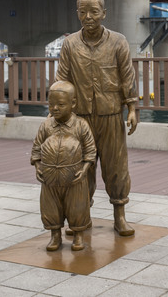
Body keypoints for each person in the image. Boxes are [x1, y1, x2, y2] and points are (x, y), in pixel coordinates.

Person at [56, 0, 138, 236]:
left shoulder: (118, 42)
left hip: (111, 115)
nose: (88, 17)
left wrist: (132, 108)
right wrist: (58, 112)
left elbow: (127, 77)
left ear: (104, 13)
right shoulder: (70, 44)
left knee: (116, 167)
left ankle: (120, 216)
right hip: (79, 118)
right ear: (78, 14)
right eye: (83, 12)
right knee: (81, 168)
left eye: (94, 12)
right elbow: (62, 79)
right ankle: (81, 216)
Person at [31, 81, 96, 252]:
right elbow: (36, 148)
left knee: (77, 206)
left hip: (74, 176)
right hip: (50, 177)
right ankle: (55, 235)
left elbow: (90, 150)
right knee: (50, 207)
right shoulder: (46, 126)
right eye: (51, 104)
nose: (55, 109)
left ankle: (78, 235)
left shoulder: (81, 125)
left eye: (60, 104)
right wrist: (38, 166)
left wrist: (85, 168)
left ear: (73, 104)